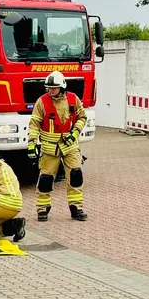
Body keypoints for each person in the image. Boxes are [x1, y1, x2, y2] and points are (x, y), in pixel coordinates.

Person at [29, 71, 88, 222]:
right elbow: (34, 124)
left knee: (75, 176)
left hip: (70, 146)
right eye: (49, 88)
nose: (51, 91)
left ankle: (76, 208)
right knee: (46, 179)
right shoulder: (41, 102)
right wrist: (31, 143)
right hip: (50, 148)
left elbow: (82, 117)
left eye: (54, 88)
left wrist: (75, 133)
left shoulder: (73, 99)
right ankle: (42, 209)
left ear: (62, 87)